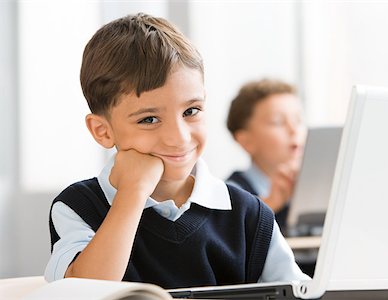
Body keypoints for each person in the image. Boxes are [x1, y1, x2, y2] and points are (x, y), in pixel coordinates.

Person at [44, 13, 310, 288]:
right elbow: (84, 289)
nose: (179, 138)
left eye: (191, 111)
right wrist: (132, 193)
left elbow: (300, 292)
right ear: (103, 131)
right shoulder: (78, 206)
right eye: (149, 119)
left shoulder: (250, 214)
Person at [226, 79, 307, 234]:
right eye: (277, 122)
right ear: (246, 141)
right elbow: (226, 237)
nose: (294, 129)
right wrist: (270, 204)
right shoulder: (231, 194)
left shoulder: (313, 188)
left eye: (298, 120)